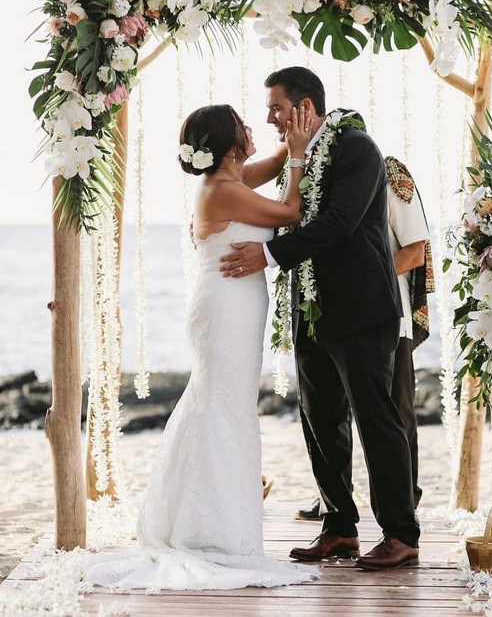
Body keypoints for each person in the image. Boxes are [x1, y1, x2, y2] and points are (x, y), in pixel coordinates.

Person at [85, 104, 317, 591]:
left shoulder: (229, 180)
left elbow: (272, 164)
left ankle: (209, 520)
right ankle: (211, 530)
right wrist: (297, 158)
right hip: (226, 311)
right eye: (243, 127)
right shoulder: (224, 190)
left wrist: (293, 138)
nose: (254, 129)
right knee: (224, 410)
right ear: (229, 145)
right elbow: (293, 211)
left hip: (234, 307)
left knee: (221, 407)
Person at [220, 67, 420, 571]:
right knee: (319, 420)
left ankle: (401, 532)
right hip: (310, 310)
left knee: (376, 419)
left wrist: (267, 256)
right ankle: (339, 528)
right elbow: (244, 184)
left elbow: (339, 222)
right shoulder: (298, 154)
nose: (269, 118)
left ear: (305, 107)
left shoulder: (357, 149)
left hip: (360, 306)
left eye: (277, 108)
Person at [295, 156, 434, 521]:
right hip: (336, 319)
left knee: (394, 412)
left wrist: (361, 281)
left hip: (387, 314)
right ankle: (335, 502)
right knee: (330, 413)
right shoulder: (316, 180)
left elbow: (414, 251)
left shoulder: (391, 176)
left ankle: (406, 503)